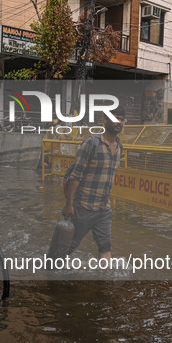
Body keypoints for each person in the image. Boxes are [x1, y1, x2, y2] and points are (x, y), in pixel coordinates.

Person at [62, 108, 126, 263]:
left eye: (122, 119)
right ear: (105, 120)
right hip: (83, 207)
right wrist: (69, 204)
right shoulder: (91, 143)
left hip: (103, 209)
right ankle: (50, 276)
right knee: (68, 247)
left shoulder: (119, 147)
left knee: (105, 248)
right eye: (115, 118)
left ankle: (105, 285)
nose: (119, 122)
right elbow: (75, 175)